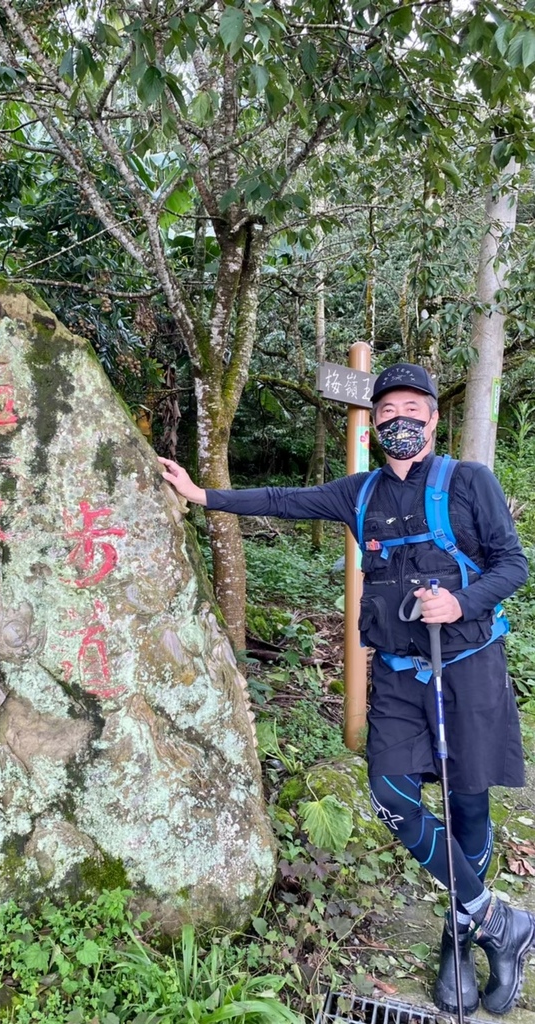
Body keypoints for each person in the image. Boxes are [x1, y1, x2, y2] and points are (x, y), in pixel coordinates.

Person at [159, 362, 533, 1016]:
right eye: (387, 411)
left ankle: (460, 935)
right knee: (390, 795)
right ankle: (499, 921)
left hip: (468, 668)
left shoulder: (468, 483)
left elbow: (513, 565)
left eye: (413, 409)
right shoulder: (357, 494)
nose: (400, 420)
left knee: (468, 806)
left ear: (434, 418)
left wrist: (462, 601)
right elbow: (279, 501)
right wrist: (203, 495)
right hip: (395, 677)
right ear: (374, 424)